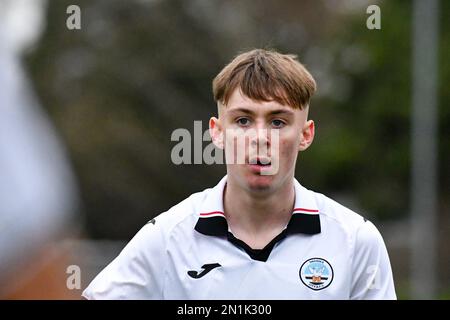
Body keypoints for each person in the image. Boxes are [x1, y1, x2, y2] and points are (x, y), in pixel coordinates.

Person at [82, 49, 396, 299]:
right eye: (243, 121)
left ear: (306, 134)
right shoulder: (168, 237)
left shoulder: (356, 241)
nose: (260, 137)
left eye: (278, 122)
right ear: (217, 133)